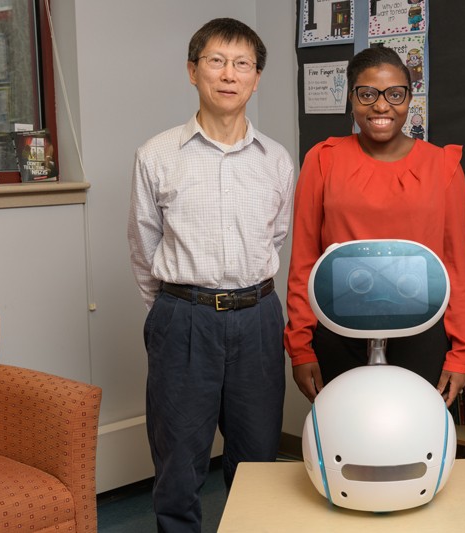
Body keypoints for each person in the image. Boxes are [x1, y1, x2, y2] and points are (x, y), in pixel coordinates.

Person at [127, 18, 294, 532]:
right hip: (183, 319)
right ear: (192, 71)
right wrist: (176, 313)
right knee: (179, 463)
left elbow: (276, 237)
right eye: (216, 61)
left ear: (256, 78)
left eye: (242, 64)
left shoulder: (277, 160)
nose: (229, 74)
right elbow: (143, 245)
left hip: (258, 320)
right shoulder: (157, 155)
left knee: (258, 460)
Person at [285, 46, 465, 407]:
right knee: (349, 433)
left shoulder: (442, 165)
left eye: (395, 94)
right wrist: (301, 347)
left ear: (409, 97)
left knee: (415, 435)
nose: (381, 106)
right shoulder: (323, 159)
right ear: (352, 97)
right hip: (338, 328)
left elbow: (456, 265)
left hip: (421, 331)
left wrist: (461, 352)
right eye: (367, 93)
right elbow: (304, 261)